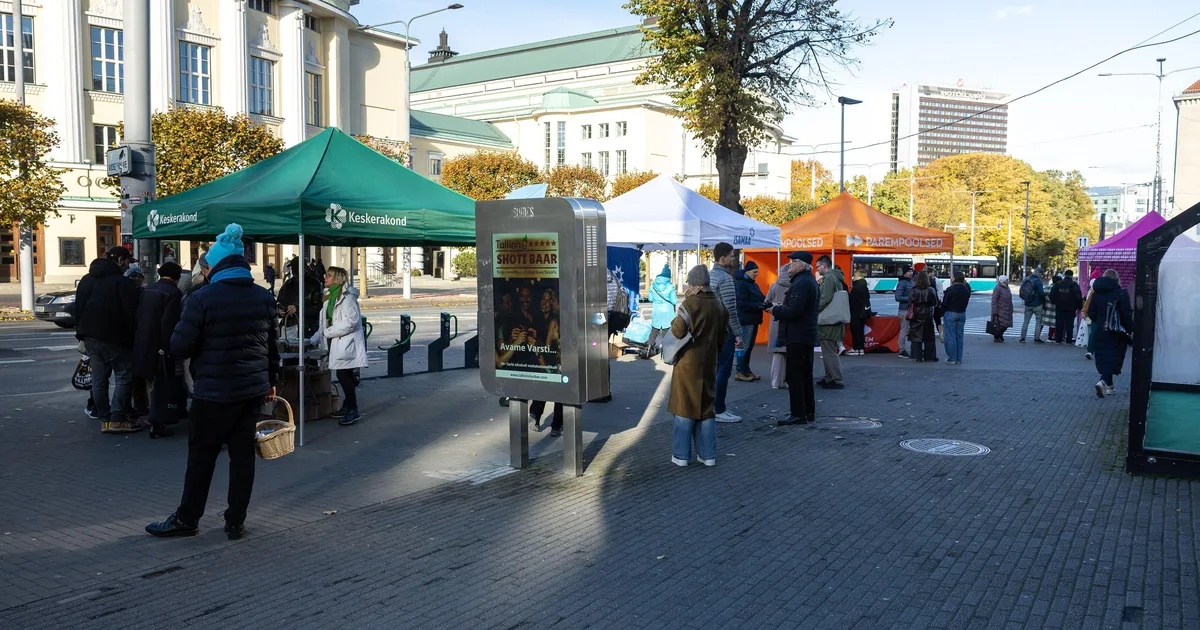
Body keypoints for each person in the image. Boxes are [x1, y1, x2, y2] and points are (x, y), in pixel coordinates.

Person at [146, 224, 280, 541]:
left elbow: (180, 347)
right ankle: (235, 522)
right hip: (251, 391)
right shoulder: (263, 297)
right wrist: (271, 381)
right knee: (243, 457)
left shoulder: (202, 298)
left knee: (201, 458)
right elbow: (271, 348)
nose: (201, 271)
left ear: (213, 266)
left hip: (214, 392)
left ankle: (187, 519)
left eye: (204, 266)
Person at [75, 246, 142, 434]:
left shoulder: (86, 280)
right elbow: (132, 314)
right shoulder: (123, 283)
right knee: (123, 377)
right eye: (128, 261)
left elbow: (77, 308)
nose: (128, 265)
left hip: (90, 337)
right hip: (116, 339)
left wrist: (81, 333)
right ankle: (117, 419)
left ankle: (104, 419)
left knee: (98, 380)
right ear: (120, 260)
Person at [668, 265, 728, 467]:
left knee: (685, 408)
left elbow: (677, 331)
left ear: (693, 284)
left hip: (688, 364)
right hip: (710, 362)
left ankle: (681, 456)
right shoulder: (719, 304)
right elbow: (724, 336)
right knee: (707, 409)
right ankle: (708, 455)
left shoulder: (689, 304)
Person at [132, 262, 185, 438]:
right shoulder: (173, 293)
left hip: (142, 342)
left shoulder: (148, 290)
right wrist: (168, 347)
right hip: (159, 346)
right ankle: (158, 422)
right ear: (176, 278)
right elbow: (169, 323)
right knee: (161, 385)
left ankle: (152, 418)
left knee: (150, 384)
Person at [766, 251, 819, 425]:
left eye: (794, 261)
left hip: (798, 335)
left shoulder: (802, 282)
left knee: (795, 376)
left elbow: (794, 311)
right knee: (804, 375)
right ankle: (807, 411)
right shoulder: (805, 281)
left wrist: (776, 310)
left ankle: (798, 413)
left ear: (803, 265)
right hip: (804, 334)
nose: (790, 264)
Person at [310, 266, 368, 426]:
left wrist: (328, 333)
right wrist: (313, 339)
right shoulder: (330, 297)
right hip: (337, 342)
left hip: (346, 343)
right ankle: (348, 406)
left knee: (343, 376)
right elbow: (325, 324)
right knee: (344, 376)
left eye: (329, 275)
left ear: (337, 279)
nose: (325, 277)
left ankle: (353, 409)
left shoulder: (347, 298)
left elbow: (351, 322)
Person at [708, 242, 743, 422]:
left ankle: (710, 406)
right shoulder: (726, 278)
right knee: (723, 369)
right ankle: (719, 408)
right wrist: (737, 333)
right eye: (731, 255)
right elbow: (730, 308)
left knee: (713, 370)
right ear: (722, 258)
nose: (734, 258)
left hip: (710, 330)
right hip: (724, 330)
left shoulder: (709, 276)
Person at [1087, 269, 1133, 398]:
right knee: (1113, 358)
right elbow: (1126, 314)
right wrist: (1130, 329)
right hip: (1117, 331)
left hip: (1101, 330)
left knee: (1105, 358)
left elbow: (1091, 313)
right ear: (1117, 279)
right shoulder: (1121, 293)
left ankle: (1109, 386)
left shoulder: (1096, 293)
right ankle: (1103, 381)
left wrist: (1101, 321)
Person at [814, 255, 846, 389]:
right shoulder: (836, 277)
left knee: (829, 352)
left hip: (828, 322)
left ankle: (836, 379)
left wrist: (813, 311)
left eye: (818, 267)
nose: (817, 270)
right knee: (828, 350)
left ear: (824, 265)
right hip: (834, 321)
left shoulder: (828, 278)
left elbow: (824, 299)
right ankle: (829, 377)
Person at [734, 260, 766, 382]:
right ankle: (740, 371)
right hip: (745, 320)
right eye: (754, 272)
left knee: (749, 346)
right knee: (744, 347)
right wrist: (759, 305)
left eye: (757, 272)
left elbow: (761, 297)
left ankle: (746, 370)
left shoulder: (753, 284)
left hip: (753, 319)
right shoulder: (741, 284)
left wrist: (766, 303)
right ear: (747, 271)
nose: (756, 274)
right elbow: (741, 303)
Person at [278, 258, 324, 338]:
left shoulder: (314, 284)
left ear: (305, 268)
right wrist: (279, 311)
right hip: (288, 327)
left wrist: (298, 309)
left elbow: (319, 308)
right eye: (293, 268)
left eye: (297, 268)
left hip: (307, 328)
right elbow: (279, 302)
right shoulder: (287, 285)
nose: (295, 271)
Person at [643, 264, 678, 360]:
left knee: (654, 331)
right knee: (666, 333)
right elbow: (675, 301)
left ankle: (648, 350)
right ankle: (664, 353)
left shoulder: (653, 286)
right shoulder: (670, 287)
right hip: (668, 313)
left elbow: (650, 299)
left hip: (657, 312)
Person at [765, 265, 791, 388]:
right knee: (789, 354)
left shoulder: (774, 285)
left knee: (777, 353)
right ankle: (787, 381)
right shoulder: (795, 286)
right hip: (790, 320)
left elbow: (766, 303)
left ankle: (775, 382)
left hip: (776, 320)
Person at [908, 271, 939, 362]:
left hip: (916, 313)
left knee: (916, 336)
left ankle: (916, 356)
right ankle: (929, 356)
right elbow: (935, 302)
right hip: (927, 314)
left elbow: (910, 302)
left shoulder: (913, 290)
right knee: (929, 337)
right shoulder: (931, 290)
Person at [941, 272, 971, 364]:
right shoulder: (966, 289)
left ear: (955, 278)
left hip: (951, 313)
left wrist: (941, 311)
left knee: (950, 337)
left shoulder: (950, 289)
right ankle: (959, 359)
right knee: (959, 337)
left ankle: (952, 358)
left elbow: (945, 303)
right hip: (962, 313)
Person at [1051, 270, 1084, 344]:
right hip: (1071, 308)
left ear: (1064, 275)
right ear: (1072, 276)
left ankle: (1058, 339)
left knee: (1059, 323)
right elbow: (1079, 296)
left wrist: (1056, 302)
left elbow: (1052, 295)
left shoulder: (1058, 284)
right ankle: (1068, 340)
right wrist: (1079, 306)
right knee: (1070, 324)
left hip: (1060, 307)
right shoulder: (1074, 284)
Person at [1018, 269, 1046, 343]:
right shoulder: (1038, 281)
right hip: (1037, 304)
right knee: (1038, 321)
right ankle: (1036, 338)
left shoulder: (1026, 279)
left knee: (1026, 321)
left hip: (1027, 303)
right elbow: (1041, 293)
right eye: (1041, 274)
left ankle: (1022, 338)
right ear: (1039, 274)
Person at [848, 270, 872, 356]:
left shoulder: (855, 288)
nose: (853, 277)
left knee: (855, 331)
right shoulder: (865, 287)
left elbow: (852, 302)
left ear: (858, 277)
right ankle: (861, 349)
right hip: (863, 312)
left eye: (854, 276)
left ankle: (855, 348)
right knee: (861, 331)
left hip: (855, 312)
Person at [895, 267, 915, 358]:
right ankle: (902, 350)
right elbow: (898, 297)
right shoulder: (902, 283)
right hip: (904, 310)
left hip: (911, 309)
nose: (911, 273)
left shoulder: (911, 281)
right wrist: (911, 299)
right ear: (904, 273)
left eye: (911, 271)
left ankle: (910, 349)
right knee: (904, 330)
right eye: (908, 271)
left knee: (909, 330)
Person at [990, 275, 1014, 342]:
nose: (1008, 281)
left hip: (1007, 309)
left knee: (1006, 325)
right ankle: (997, 337)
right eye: (1007, 280)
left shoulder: (1007, 287)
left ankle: (1000, 335)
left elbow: (1010, 299)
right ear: (1003, 281)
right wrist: (994, 311)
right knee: (1000, 325)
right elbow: (994, 300)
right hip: (1000, 310)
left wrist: (1011, 308)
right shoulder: (998, 288)